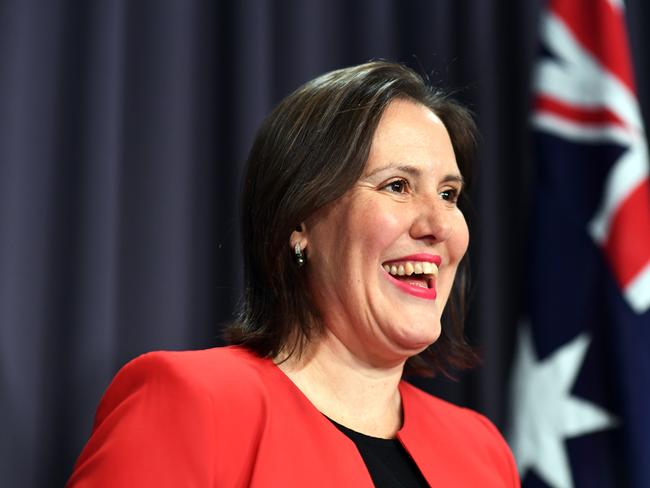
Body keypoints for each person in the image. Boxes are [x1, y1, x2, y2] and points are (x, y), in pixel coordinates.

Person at [67, 61, 520, 487]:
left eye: (448, 193)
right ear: (299, 222)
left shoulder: (481, 452)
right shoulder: (192, 405)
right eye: (397, 186)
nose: (439, 225)